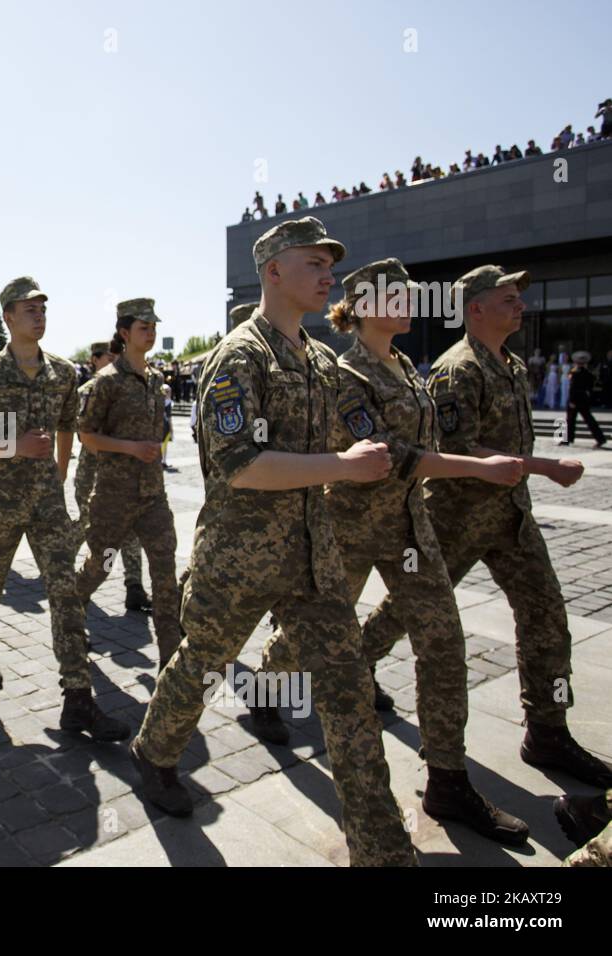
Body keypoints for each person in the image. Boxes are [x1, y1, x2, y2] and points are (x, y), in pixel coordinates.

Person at [129, 217, 417, 867]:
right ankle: (153, 751)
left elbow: (343, 447)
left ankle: (384, 852)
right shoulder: (240, 357)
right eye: (312, 262)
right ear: (272, 271)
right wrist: (344, 466)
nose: (328, 274)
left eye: (330, 263)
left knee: (348, 700)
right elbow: (242, 466)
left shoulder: (319, 360)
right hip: (239, 559)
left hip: (313, 559)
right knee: (202, 664)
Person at [252, 258, 530, 846]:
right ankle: (265, 690)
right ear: (363, 305)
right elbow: (390, 454)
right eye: (396, 295)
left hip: (408, 526)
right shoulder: (345, 373)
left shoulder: (404, 366)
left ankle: (448, 780)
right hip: (350, 526)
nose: (408, 303)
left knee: (443, 643)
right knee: (311, 637)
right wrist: (479, 466)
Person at [361, 265, 611, 788]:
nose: (519, 305)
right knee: (408, 610)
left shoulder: (513, 365)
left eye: (519, 297)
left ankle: (547, 729)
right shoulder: (459, 369)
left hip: (512, 519)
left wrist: (529, 476)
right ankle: (356, 664)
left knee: (546, 616)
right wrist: (546, 468)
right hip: (457, 519)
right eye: (507, 298)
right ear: (475, 308)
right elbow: (456, 449)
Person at [0, 277, 127, 739]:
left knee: (65, 590)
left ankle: (78, 698)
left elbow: (68, 424)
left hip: (47, 503)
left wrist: (61, 469)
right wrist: (14, 447)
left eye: (43, 309)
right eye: (29, 309)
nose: (39, 315)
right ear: (8, 317)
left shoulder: (63, 373)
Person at [74, 299, 185, 674]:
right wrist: (131, 448)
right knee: (100, 566)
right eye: (143, 327)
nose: (151, 333)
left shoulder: (155, 379)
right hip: (113, 499)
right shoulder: (105, 383)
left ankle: (172, 661)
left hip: (153, 498)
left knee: (165, 576)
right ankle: (71, 617)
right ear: (124, 333)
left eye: (154, 326)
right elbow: (87, 436)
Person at [73, 341, 151, 614]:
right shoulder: (86, 390)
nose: (114, 360)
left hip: (124, 476)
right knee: (91, 531)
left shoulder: (132, 385)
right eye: (108, 356)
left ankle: (134, 587)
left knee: (131, 532)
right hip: (94, 474)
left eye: (116, 355)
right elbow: (86, 437)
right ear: (94, 360)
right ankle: (69, 577)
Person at [563, 351, 607, 448]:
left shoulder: (575, 373)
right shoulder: (588, 374)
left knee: (570, 420)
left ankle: (567, 439)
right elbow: (591, 386)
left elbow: (572, 388)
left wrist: (571, 400)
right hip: (583, 399)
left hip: (575, 399)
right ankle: (600, 438)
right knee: (589, 420)